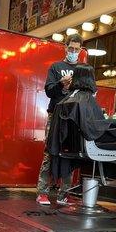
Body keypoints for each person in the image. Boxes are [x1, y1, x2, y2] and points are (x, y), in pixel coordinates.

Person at [46, 65, 116, 186]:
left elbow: (90, 123)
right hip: (92, 144)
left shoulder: (69, 99)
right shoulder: (86, 98)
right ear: (90, 79)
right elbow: (97, 124)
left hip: (73, 147)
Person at [36, 33, 83, 206]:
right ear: (65, 47)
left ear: (80, 50)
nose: (73, 51)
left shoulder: (82, 69)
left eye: (76, 49)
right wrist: (61, 84)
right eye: (71, 48)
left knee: (70, 153)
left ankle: (65, 193)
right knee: (50, 151)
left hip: (73, 117)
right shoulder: (56, 67)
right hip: (55, 115)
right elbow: (49, 91)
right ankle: (42, 192)